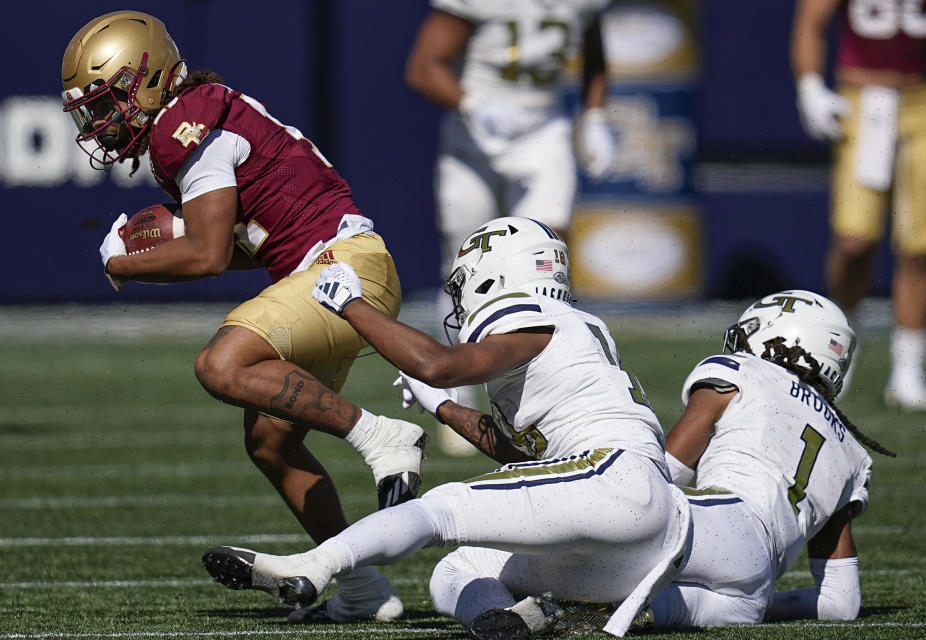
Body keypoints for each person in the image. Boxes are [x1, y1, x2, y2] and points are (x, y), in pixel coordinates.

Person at [61, 11, 427, 622]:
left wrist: (124, 265)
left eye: (104, 105)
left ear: (145, 80)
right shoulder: (196, 115)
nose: (99, 124)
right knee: (271, 443)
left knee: (221, 364)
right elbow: (240, 247)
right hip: (335, 272)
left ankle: (381, 437)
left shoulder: (182, 122)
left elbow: (204, 254)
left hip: (342, 268)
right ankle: (365, 590)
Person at [201, 216, 692, 639]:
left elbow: (437, 364)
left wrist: (352, 304)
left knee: (443, 508)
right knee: (458, 570)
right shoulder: (572, 335)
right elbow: (523, 458)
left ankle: (314, 565)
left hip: (614, 481)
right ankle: (523, 621)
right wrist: (442, 408)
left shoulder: (533, 314)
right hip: (633, 522)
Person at [429, 290, 896, 631]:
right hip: (746, 596)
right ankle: (619, 613)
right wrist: (765, 593)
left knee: (477, 561)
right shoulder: (853, 453)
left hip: (710, 529)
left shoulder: (741, 371)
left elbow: (662, 472)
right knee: (654, 606)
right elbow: (840, 602)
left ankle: (509, 616)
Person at [405, 0, 617, 453]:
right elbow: (424, 66)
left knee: (547, 257)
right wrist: (473, 104)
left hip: (545, 128)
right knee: (462, 265)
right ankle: (456, 393)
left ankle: (550, 390)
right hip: (474, 133)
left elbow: (595, 54)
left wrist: (595, 114)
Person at [790, 0, 926, 410]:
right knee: (854, 240)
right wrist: (809, 85)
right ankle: (842, 344)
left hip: (923, 100)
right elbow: (811, 22)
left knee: (918, 245)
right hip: (863, 100)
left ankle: (908, 370)